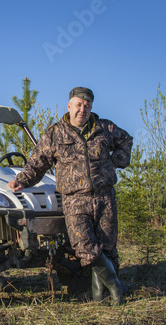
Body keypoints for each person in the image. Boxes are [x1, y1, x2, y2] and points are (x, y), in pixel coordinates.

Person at [8, 87, 133, 305]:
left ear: (91, 107)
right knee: (84, 247)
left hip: (105, 196)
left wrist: (114, 163)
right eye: (78, 104)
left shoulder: (104, 128)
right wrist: (23, 180)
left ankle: (100, 297)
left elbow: (126, 141)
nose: (82, 109)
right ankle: (115, 286)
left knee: (107, 246)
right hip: (75, 199)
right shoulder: (56, 133)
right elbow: (38, 162)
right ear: (69, 106)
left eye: (87, 105)